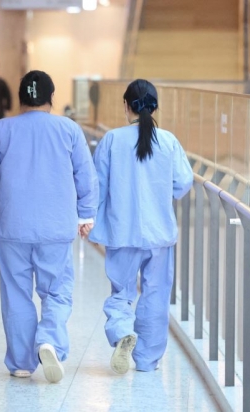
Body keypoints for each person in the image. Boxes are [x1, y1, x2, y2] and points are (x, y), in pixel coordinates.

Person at [0, 70, 98, 383]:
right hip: (54, 228)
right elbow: (85, 176)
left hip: (12, 227)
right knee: (57, 292)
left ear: (21, 100)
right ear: (51, 98)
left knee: (16, 293)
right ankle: (48, 339)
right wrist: (86, 215)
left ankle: (21, 362)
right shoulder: (69, 130)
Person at [88, 79, 193, 374]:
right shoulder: (169, 141)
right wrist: (163, 193)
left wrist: (91, 225)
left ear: (125, 107)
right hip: (159, 235)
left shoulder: (112, 140)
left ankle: (122, 330)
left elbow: (98, 186)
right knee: (155, 295)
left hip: (122, 234)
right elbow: (184, 182)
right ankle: (147, 360)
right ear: (156, 107)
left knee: (121, 291)